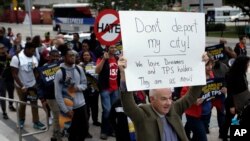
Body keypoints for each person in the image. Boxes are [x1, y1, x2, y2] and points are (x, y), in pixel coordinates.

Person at [118, 53, 209, 141]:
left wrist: (201, 68)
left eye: (170, 98)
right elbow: (128, 106)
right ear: (152, 99)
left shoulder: (174, 108)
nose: (169, 102)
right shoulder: (143, 115)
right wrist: (124, 77)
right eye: (163, 99)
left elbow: (191, 96)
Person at [54, 48, 89, 141]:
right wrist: (65, 110)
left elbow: (85, 85)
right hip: (68, 109)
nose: (73, 57)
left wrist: (76, 88)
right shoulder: (59, 73)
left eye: (74, 55)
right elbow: (58, 94)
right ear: (64, 57)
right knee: (72, 135)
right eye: (70, 55)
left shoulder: (79, 69)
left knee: (84, 131)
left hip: (81, 106)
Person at [10, 42, 46, 130]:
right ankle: (21, 120)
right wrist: (22, 86)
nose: (33, 53)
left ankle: (36, 122)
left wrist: (36, 82)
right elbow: (14, 74)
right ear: (26, 49)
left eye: (34, 51)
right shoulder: (17, 58)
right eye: (32, 51)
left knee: (34, 102)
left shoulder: (33, 59)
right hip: (20, 85)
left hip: (32, 85)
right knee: (23, 103)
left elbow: (34, 71)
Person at [95, 45, 120, 140]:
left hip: (115, 89)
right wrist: (104, 60)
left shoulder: (117, 58)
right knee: (107, 110)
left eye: (114, 47)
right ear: (107, 49)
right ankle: (104, 131)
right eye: (111, 48)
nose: (113, 49)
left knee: (113, 111)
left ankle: (111, 130)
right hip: (105, 89)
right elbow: (97, 71)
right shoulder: (101, 58)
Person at [37, 50, 62, 141]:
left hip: (62, 95)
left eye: (57, 56)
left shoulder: (62, 66)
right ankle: (56, 136)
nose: (55, 58)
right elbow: (39, 85)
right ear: (49, 57)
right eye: (53, 56)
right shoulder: (44, 68)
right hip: (50, 96)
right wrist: (42, 98)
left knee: (60, 116)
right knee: (56, 116)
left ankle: (55, 135)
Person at [80, 51, 101, 126]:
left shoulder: (95, 64)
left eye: (87, 55)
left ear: (90, 56)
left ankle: (95, 120)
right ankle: (86, 122)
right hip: (84, 89)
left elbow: (98, 75)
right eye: (84, 55)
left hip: (94, 88)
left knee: (95, 106)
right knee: (86, 107)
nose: (86, 56)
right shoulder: (79, 65)